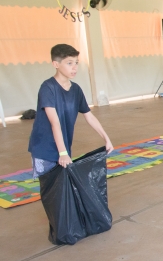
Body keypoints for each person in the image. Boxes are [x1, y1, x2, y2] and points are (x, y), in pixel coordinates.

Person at [28, 44, 113, 178]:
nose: (75, 67)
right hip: (45, 148)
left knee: (62, 190)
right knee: (51, 192)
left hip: (63, 146)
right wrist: (62, 153)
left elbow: (89, 116)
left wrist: (106, 139)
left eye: (76, 63)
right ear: (56, 64)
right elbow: (54, 122)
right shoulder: (48, 88)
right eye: (69, 63)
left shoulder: (76, 90)